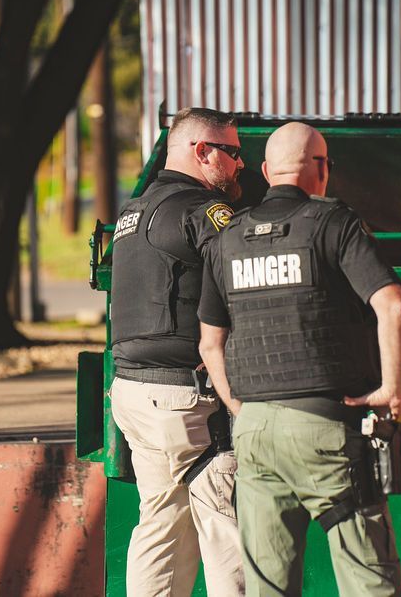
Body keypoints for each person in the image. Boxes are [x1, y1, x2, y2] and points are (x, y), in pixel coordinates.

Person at [197, 122, 401, 596]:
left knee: (267, 587)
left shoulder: (227, 238)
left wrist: (240, 406)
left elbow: (210, 343)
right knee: (369, 581)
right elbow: (393, 305)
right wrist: (392, 392)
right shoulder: (334, 224)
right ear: (321, 168)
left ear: (268, 171)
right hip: (327, 426)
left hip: (253, 430)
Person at [109, 107, 245, 596]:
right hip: (189, 403)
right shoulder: (200, 210)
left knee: (161, 529)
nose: (240, 164)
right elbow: (250, 271)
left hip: (133, 394)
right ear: (201, 151)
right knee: (228, 529)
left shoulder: (132, 211)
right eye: (231, 152)